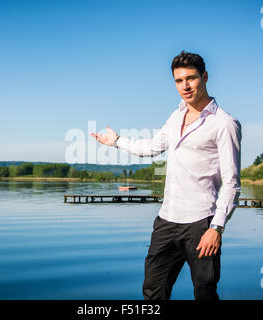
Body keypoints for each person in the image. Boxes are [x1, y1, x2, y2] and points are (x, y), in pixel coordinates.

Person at [90, 51, 241, 300]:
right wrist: (116, 141)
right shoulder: (176, 116)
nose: (185, 86)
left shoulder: (224, 123)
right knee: (153, 291)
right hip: (167, 221)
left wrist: (217, 228)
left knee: (204, 293)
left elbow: (232, 182)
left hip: (201, 223)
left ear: (204, 77)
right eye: (179, 81)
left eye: (191, 78)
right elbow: (149, 148)